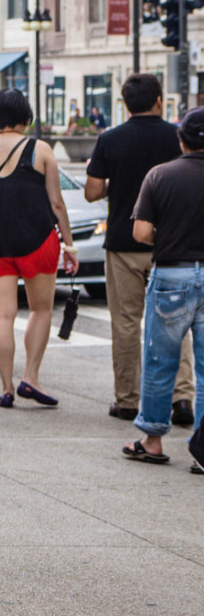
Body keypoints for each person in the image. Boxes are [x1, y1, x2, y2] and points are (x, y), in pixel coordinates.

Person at [0, 89, 77, 410]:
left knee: (3, 314)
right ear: (26, 116)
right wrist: (69, 244)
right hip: (38, 240)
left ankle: (6, 387)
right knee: (40, 309)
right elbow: (56, 202)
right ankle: (31, 378)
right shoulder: (41, 150)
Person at [86, 72, 194, 424]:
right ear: (160, 101)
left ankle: (128, 399)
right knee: (178, 323)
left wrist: (114, 185)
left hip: (123, 242)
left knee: (127, 322)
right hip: (173, 242)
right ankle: (181, 399)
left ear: (124, 104)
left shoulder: (110, 139)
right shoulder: (177, 137)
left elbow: (91, 191)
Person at [129, 106, 204, 469]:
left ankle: (153, 440)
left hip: (171, 276)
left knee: (161, 363)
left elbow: (141, 232)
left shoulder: (160, 175)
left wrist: (170, 235)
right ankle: (202, 449)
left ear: (181, 139)